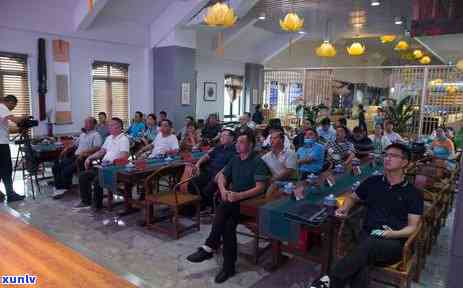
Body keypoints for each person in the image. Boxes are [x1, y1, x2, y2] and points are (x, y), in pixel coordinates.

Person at [309, 143, 423, 288]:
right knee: (362, 261)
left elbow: (413, 227)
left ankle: (330, 280)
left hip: (393, 244)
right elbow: (352, 197)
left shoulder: (413, 193)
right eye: (386, 155)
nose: (387, 158)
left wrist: (391, 234)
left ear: (405, 162)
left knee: (366, 247)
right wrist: (345, 208)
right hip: (367, 237)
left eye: (393, 156)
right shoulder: (372, 182)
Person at [186, 131, 270, 283]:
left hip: (249, 204)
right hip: (233, 201)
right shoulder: (235, 160)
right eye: (237, 142)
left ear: (250, 145)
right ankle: (228, 267)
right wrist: (224, 190)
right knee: (228, 225)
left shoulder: (258, 162)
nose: (237, 144)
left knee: (224, 208)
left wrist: (240, 195)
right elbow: (221, 176)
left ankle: (210, 246)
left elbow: (261, 187)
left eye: (241, 142)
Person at [74, 118, 130, 210]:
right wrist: (90, 158)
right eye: (109, 125)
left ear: (119, 127)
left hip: (115, 168)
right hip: (104, 167)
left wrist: (111, 162)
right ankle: (86, 201)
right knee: (83, 176)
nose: (109, 127)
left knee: (98, 180)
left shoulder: (124, 139)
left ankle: (97, 205)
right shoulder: (109, 138)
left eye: (111, 125)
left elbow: (124, 156)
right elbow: (101, 151)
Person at [52, 117, 102, 199]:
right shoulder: (83, 134)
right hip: (74, 156)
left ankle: (64, 188)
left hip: (84, 158)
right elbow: (75, 144)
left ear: (94, 124)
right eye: (85, 123)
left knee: (66, 170)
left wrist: (84, 152)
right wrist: (66, 149)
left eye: (88, 123)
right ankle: (60, 187)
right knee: (56, 167)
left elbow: (97, 147)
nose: (85, 125)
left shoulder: (96, 135)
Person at [190, 129, 236, 210]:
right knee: (193, 182)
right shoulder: (219, 147)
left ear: (231, 138)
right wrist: (198, 164)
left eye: (224, 136)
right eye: (221, 136)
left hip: (221, 174)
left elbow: (230, 165)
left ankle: (206, 206)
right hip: (209, 171)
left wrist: (220, 175)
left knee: (207, 189)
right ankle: (198, 206)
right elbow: (207, 156)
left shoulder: (235, 150)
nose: (221, 137)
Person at [0, 95, 28, 202]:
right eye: (13, 105)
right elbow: (15, 120)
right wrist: (24, 117)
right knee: (7, 170)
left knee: (1, 170)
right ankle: (11, 195)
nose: (13, 108)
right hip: (1, 145)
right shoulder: (2, 107)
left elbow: (6, 127)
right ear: (9, 102)